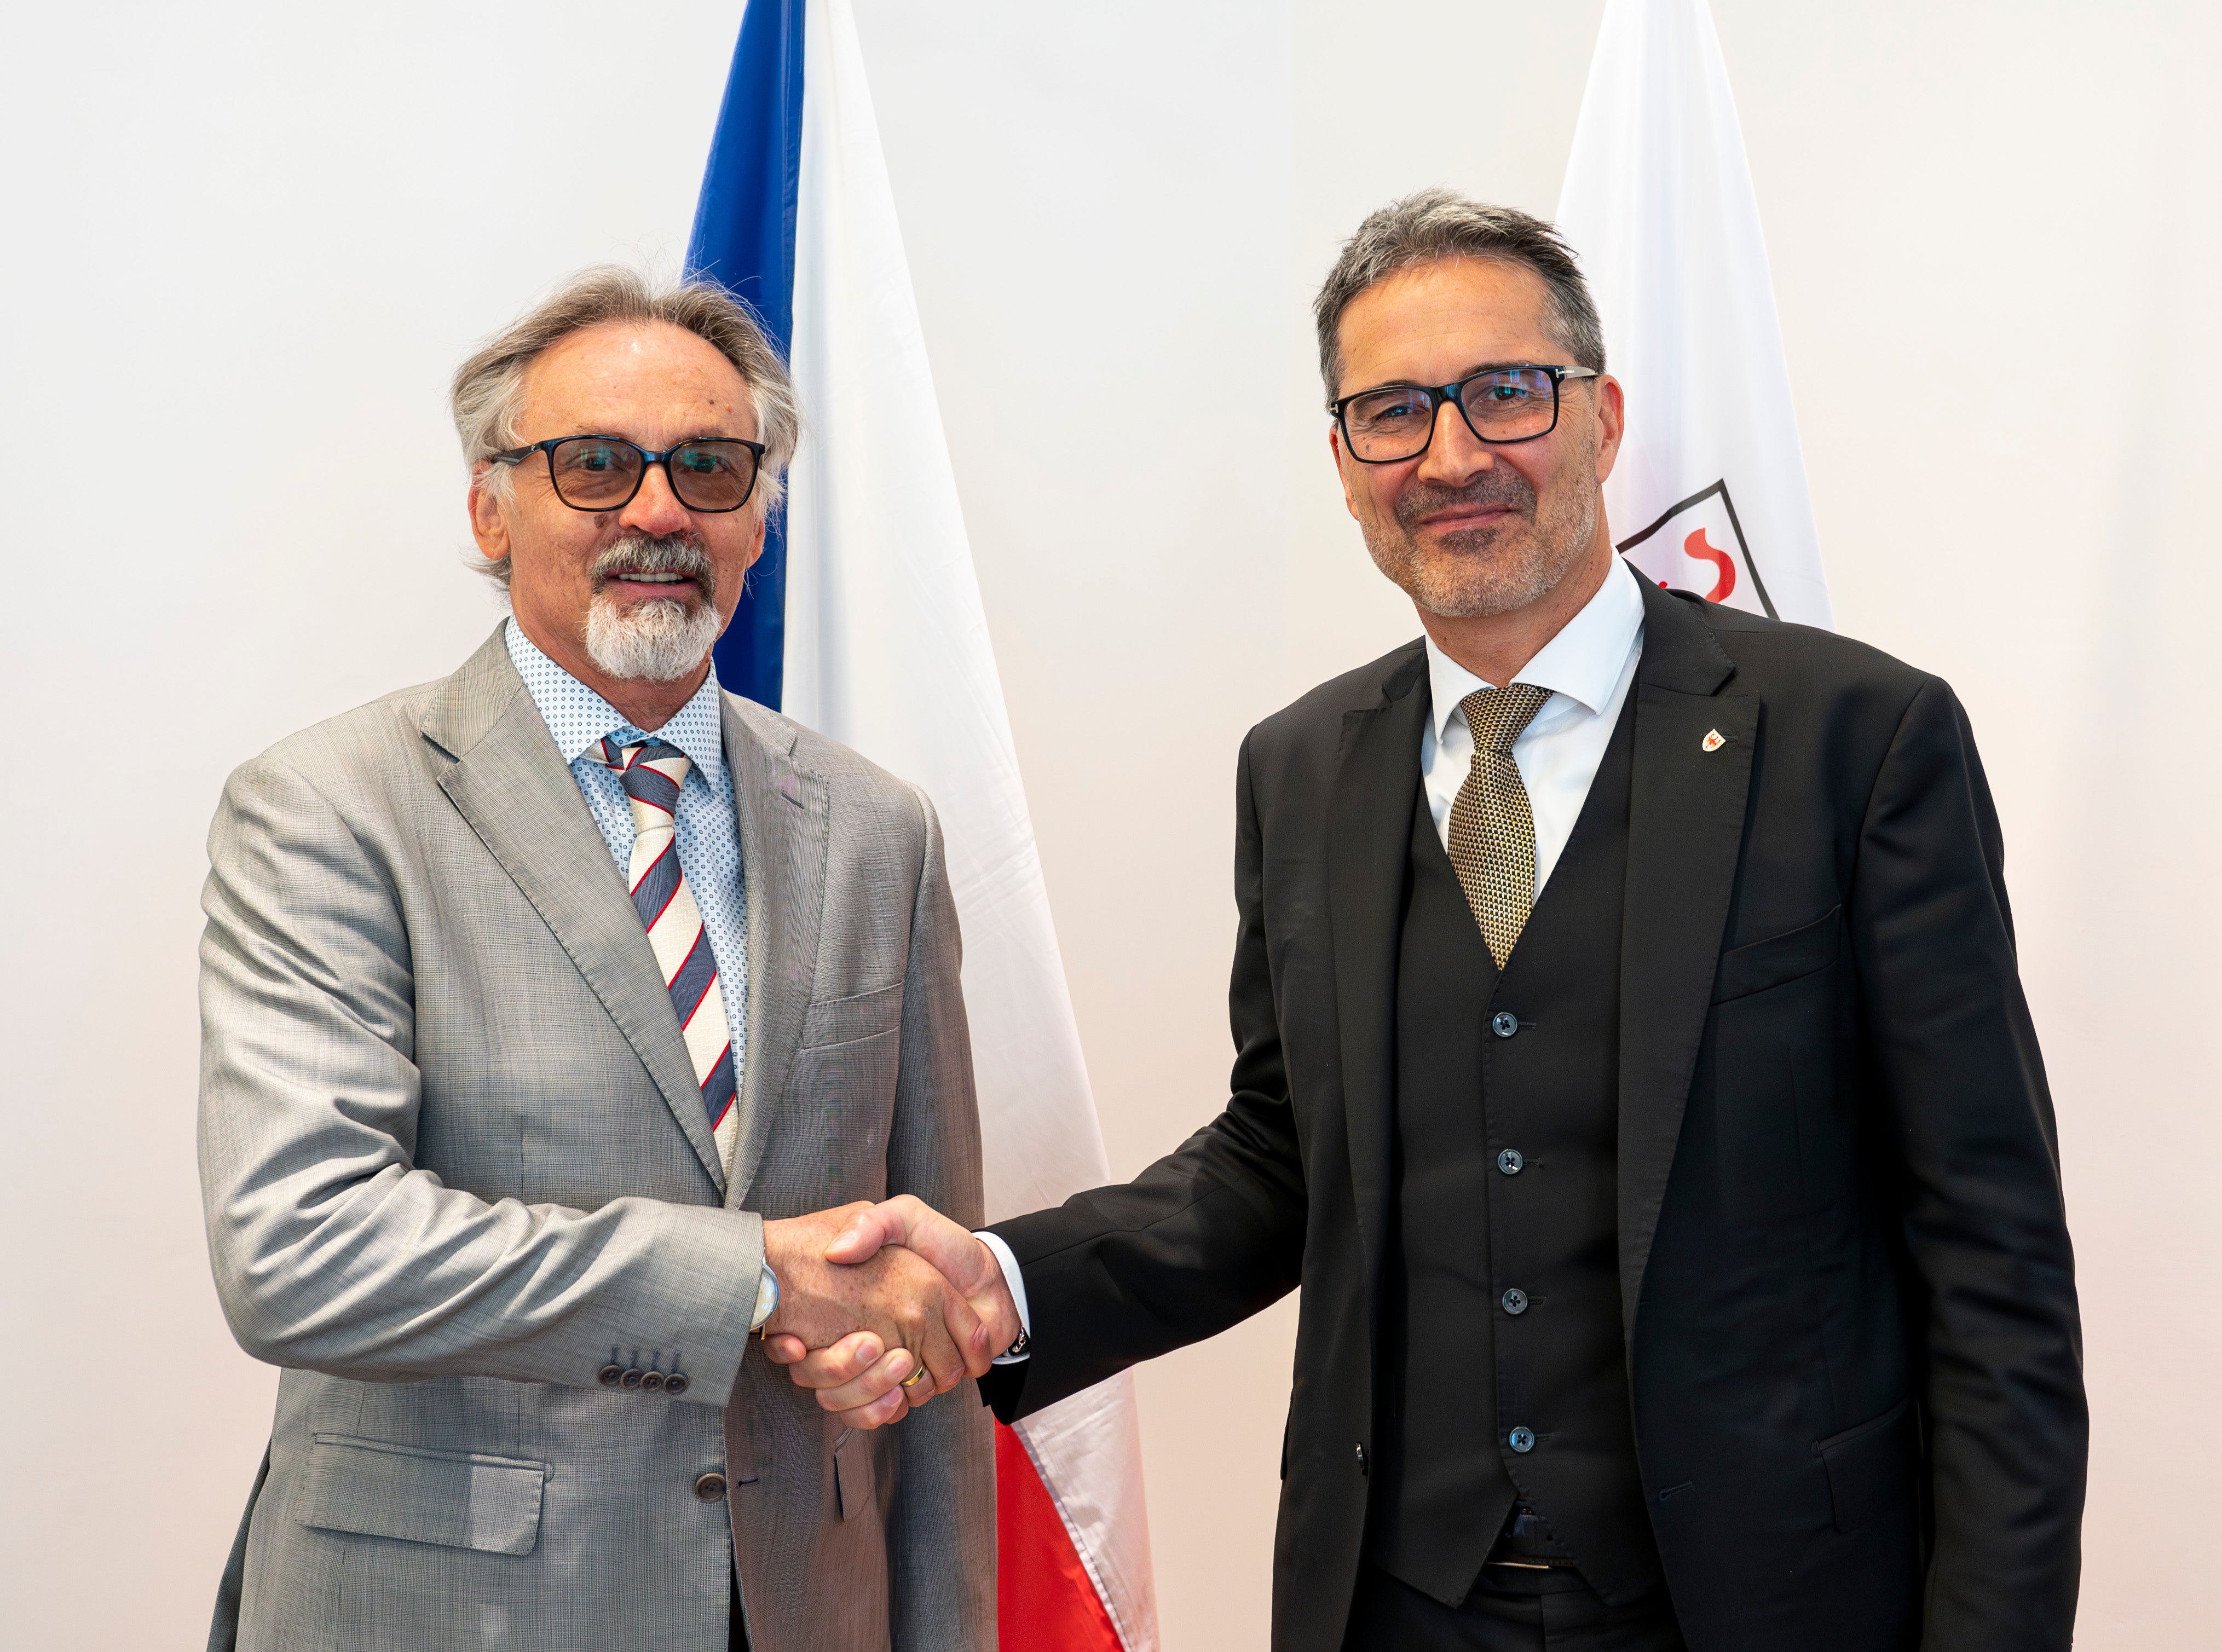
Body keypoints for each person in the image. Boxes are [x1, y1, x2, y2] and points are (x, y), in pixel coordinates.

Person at [771, 193, 2088, 1652]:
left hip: (1768, 1602)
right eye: (1392, 412)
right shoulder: (1300, 764)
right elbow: (1279, 1159)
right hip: (1394, 1604)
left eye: (1504, 392)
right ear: (1342, 466)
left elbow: (1990, 1255)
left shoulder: (1852, 738)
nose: (1452, 455)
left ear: (1602, 417)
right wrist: (1003, 1278)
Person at [196, 268, 1011, 1652]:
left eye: (707, 466)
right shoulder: (329, 806)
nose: (655, 512)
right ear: (488, 507)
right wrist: (747, 1276)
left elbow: (922, 1319)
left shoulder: (882, 831)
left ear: (759, 514)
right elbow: (299, 1248)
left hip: (802, 1610)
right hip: (448, 1611)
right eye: (593, 466)